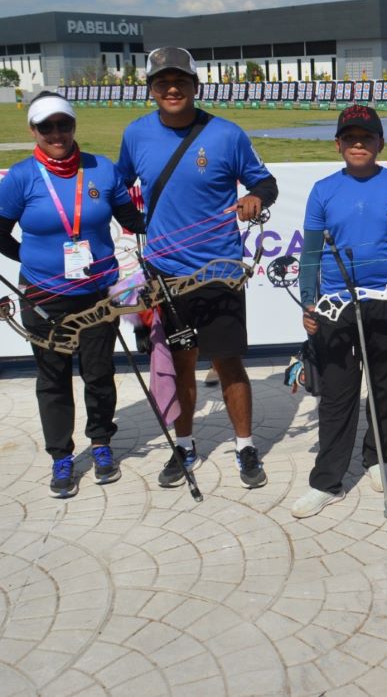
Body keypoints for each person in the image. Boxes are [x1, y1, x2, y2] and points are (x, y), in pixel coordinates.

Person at [117, 46, 278, 489]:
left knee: (228, 363)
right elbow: (117, 186)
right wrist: (135, 224)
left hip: (219, 271)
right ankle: (184, 445)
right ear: (150, 90)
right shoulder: (136, 135)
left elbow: (265, 181)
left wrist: (254, 197)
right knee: (181, 365)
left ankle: (245, 445)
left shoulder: (226, 134)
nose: (172, 89)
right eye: (163, 83)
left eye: (181, 81)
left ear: (196, 86)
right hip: (167, 275)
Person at [0, 92, 145, 498]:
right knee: (53, 377)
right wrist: (37, 262)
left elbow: (133, 220)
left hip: (96, 292)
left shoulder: (101, 169)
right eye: (46, 127)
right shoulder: (21, 177)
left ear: (74, 126)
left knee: (98, 371)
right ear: (33, 131)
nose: (56, 133)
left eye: (63, 124)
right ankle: (61, 455)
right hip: (45, 295)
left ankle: (102, 443)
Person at [291, 106, 387, 518]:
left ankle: (377, 458)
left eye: (367, 138)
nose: (359, 144)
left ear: (380, 144)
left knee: (384, 387)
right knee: (337, 395)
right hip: (336, 307)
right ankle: (327, 481)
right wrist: (309, 303)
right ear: (338, 144)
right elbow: (310, 255)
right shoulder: (323, 190)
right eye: (350, 138)